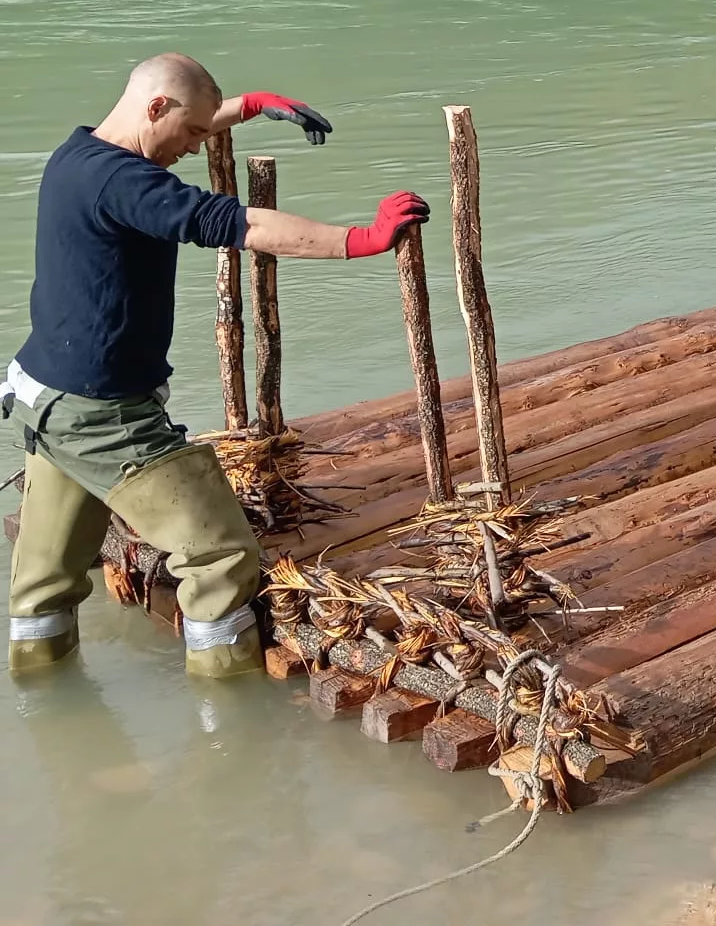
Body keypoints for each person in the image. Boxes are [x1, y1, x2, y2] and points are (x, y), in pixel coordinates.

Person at [5, 54, 429, 678]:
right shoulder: (128, 185)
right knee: (218, 554)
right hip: (101, 414)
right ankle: (225, 721)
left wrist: (251, 106)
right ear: (155, 109)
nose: (195, 147)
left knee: (44, 584)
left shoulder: (78, 155)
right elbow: (238, 223)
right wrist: (358, 239)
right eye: (194, 132)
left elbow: (174, 123)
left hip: (41, 398)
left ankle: (42, 701)